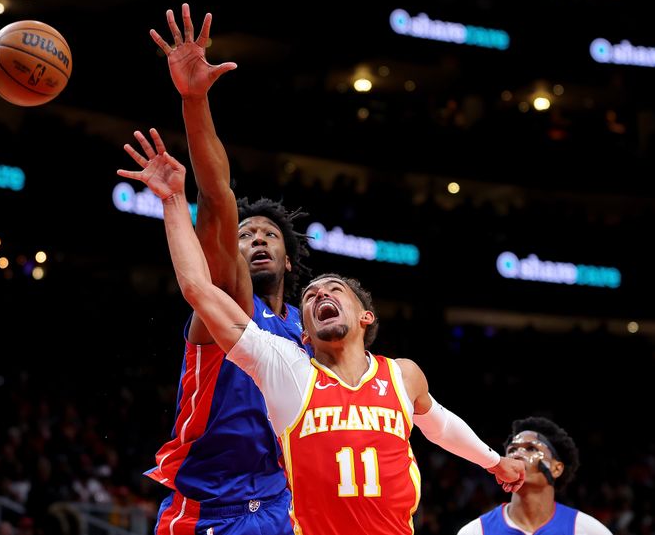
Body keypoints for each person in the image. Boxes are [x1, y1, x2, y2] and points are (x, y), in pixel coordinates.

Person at [118, 133, 526, 535]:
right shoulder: (291, 369)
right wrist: (173, 201)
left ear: (366, 316)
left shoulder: (401, 375)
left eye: (335, 290)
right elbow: (198, 286)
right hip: (217, 504)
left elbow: (439, 423)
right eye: (312, 295)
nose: (320, 294)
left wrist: (493, 462)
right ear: (305, 336)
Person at [120, 3, 310, 531]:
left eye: (269, 235)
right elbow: (218, 195)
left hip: (280, 506)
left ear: (288, 257)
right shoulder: (229, 302)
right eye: (246, 237)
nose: (255, 242)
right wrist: (194, 100)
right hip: (209, 510)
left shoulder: (308, 330)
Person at [456, 417, 612, 535]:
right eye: (511, 450)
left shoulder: (587, 530)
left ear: (556, 468)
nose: (517, 454)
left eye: (531, 448)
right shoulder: (476, 531)